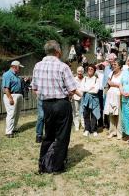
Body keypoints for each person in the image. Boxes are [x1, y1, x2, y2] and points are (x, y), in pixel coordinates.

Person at [31, 40, 77, 174]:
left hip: (46, 104)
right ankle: (57, 166)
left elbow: (34, 88)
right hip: (61, 103)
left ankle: (43, 165)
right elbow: (72, 89)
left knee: (48, 134)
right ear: (58, 52)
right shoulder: (63, 66)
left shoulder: (37, 66)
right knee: (62, 136)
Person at [2, 60, 24, 138]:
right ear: (15, 67)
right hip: (11, 95)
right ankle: (8, 132)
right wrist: (10, 98)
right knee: (11, 113)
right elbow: (6, 88)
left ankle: (13, 128)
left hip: (17, 94)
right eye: (19, 68)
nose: (20, 69)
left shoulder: (16, 75)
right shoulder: (7, 75)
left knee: (17, 113)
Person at [104, 59, 123, 139]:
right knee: (111, 113)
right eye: (113, 64)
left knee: (118, 113)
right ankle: (112, 131)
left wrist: (115, 84)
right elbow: (109, 82)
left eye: (115, 64)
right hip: (110, 94)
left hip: (118, 95)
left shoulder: (123, 74)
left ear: (120, 66)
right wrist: (117, 84)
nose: (113, 66)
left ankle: (119, 132)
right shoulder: (111, 73)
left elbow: (122, 84)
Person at [81, 64, 101, 137]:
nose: (90, 70)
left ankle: (94, 130)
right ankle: (87, 129)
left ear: (94, 71)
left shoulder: (96, 79)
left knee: (94, 114)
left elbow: (96, 91)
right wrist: (90, 88)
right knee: (86, 114)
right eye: (89, 69)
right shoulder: (85, 78)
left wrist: (87, 89)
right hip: (85, 99)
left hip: (94, 99)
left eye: (91, 69)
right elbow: (82, 89)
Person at [102, 53, 117, 129]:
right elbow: (104, 78)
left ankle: (112, 124)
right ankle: (106, 123)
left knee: (112, 104)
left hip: (113, 87)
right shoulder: (107, 67)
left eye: (112, 59)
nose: (110, 60)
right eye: (109, 59)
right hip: (106, 87)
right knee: (105, 104)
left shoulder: (116, 67)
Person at [72, 66, 85, 132]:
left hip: (83, 97)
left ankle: (83, 124)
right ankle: (77, 125)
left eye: (81, 72)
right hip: (75, 97)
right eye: (78, 72)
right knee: (76, 112)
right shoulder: (74, 79)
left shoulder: (85, 79)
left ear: (83, 72)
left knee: (83, 111)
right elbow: (73, 89)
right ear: (77, 72)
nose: (79, 73)